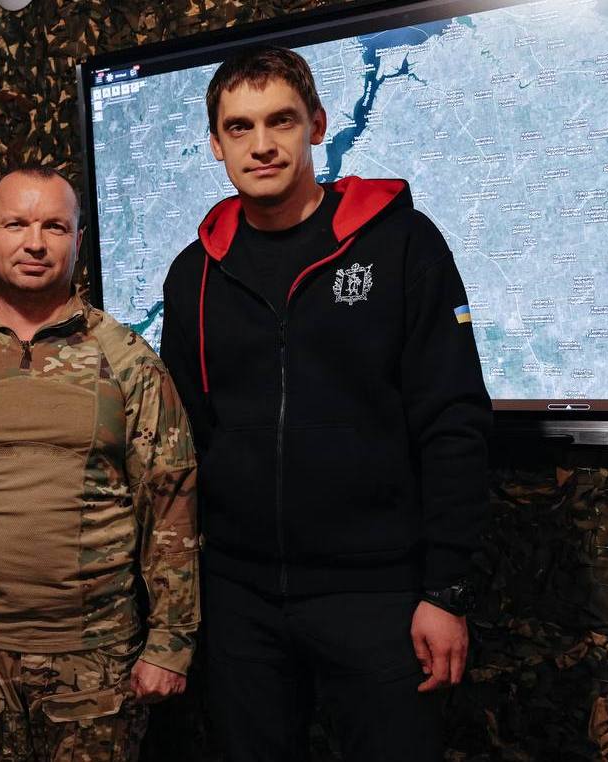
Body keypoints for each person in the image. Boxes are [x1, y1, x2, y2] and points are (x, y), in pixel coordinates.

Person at [161, 46, 492, 761]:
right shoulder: (194, 275)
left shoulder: (402, 244)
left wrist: (446, 590)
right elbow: (185, 441)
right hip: (240, 598)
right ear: (216, 144)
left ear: (316, 125)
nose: (261, 144)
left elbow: (453, 420)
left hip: (379, 594)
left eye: (280, 121)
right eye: (240, 127)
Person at [0, 166, 200, 761]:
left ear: (78, 240)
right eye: (17, 224)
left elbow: (170, 504)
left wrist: (170, 640)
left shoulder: (126, 360)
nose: (35, 242)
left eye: (54, 226)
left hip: (95, 661)